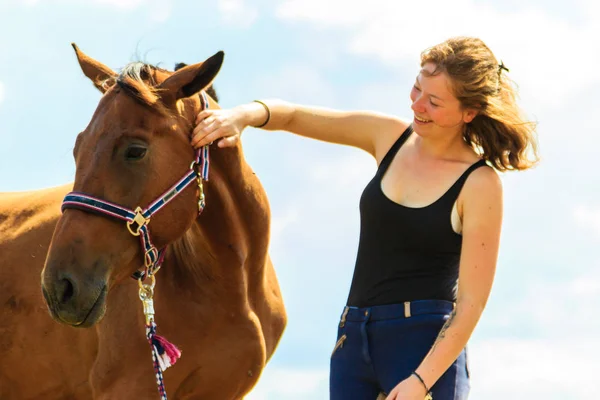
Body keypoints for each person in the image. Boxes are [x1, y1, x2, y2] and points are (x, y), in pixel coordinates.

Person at [191, 36, 538, 400]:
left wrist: (420, 381)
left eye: (434, 102)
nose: (418, 105)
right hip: (353, 337)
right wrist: (239, 116)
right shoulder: (388, 137)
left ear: (468, 113)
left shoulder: (480, 184)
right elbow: (292, 116)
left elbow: (470, 304)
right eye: (417, 89)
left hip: (423, 346)